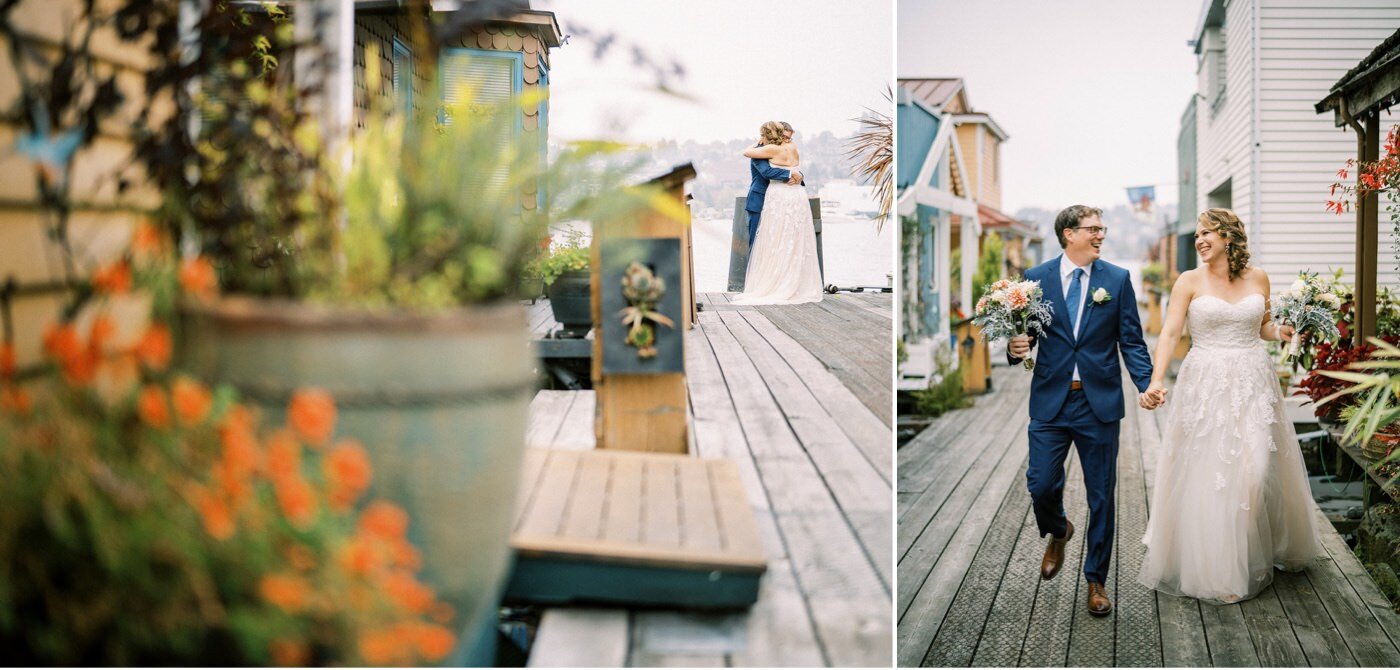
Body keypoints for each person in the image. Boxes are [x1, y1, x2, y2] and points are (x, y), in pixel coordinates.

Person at [1136, 207, 1321, 604]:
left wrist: (1283, 330)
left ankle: (1253, 546)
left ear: (1229, 238)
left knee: (1255, 470)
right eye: (1197, 233)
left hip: (1254, 380)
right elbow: (1169, 333)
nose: (1199, 240)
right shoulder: (1188, 281)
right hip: (1206, 383)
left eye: (1207, 233)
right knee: (1214, 471)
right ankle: (1218, 566)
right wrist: (1155, 380)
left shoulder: (1259, 278)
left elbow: (1265, 328)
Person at [1008, 204, 1154, 616]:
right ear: (1068, 234)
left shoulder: (1117, 280)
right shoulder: (1035, 279)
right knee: (1040, 484)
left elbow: (1132, 341)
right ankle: (1058, 529)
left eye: (1102, 229)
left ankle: (1096, 581)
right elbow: (1026, 336)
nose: (1100, 235)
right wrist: (1015, 346)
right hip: (1051, 401)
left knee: (1101, 497)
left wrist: (1147, 384)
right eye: (1093, 229)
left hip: (1099, 404)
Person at [731, 121, 823, 305]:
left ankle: (786, 283)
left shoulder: (773, 148)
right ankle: (758, 285)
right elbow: (766, 172)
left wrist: (798, 175)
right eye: (786, 136)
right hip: (762, 200)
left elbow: (791, 168)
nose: (788, 139)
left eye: (790, 137)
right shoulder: (765, 150)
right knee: (761, 245)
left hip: (781, 199)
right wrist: (792, 175)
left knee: (788, 241)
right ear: (779, 134)